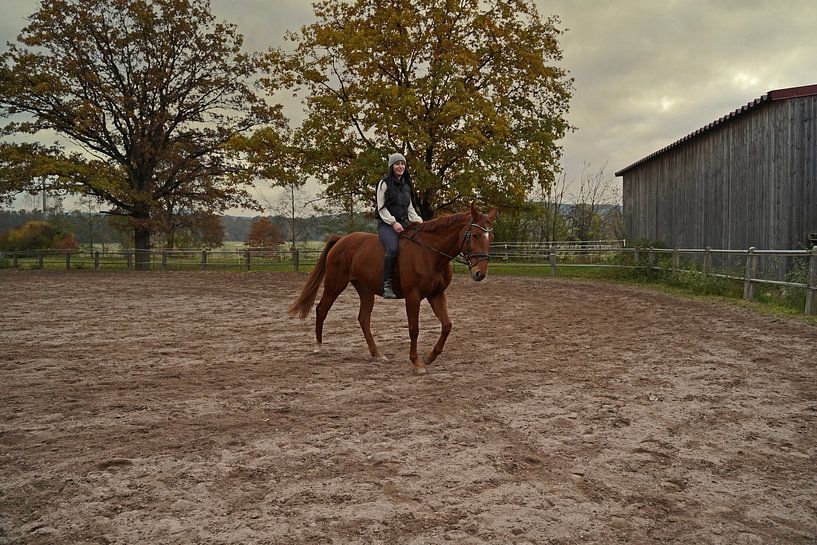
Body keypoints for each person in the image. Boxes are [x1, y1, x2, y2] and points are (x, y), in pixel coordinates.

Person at [376, 152, 423, 299]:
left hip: (403, 223)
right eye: (397, 164)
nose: (400, 166)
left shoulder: (406, 185)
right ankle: (387, 285)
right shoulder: (384, 183)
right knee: (393, 248)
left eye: (402, 164)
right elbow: (381, 207)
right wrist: (393, 222)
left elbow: (410, 209)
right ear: (391, 166)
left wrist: (420, 222)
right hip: (386, 224)